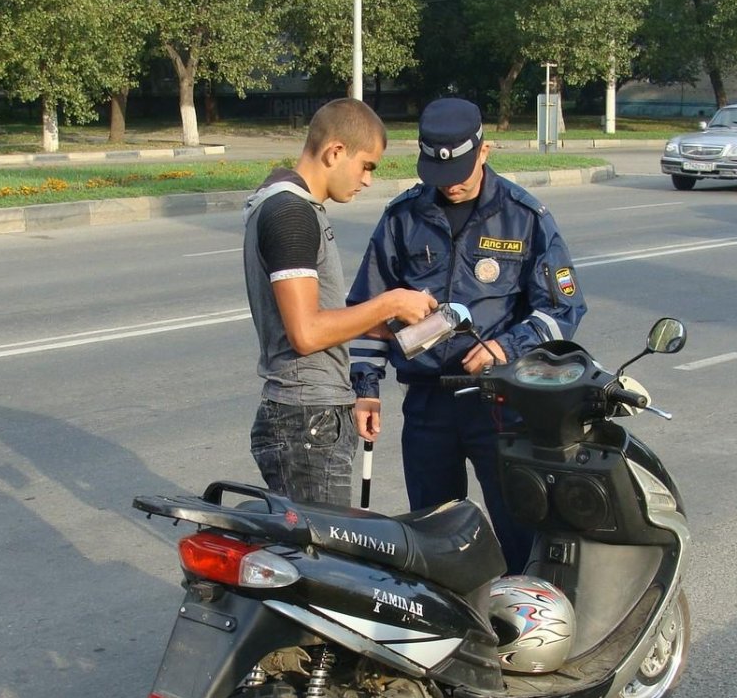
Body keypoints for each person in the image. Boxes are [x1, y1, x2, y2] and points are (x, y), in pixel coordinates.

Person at [347, 97, 587, 573]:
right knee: (433, 537)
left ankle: (526, 628)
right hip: (428, 405)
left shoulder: (524, 217)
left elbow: (563, 308)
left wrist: (504, 347)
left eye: (460, 168)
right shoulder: (403, 217)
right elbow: (369, 310)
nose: (451, 184)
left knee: (520, 528)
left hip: (499, 403)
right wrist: (366, 390)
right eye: (439, 173)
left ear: (485, 151)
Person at [244, 98, 436, 506]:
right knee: (323, 564)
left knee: (310, 558)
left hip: (308, 414)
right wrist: (387, 304)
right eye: (367, 165)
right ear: (335, 152)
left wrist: (376, 326)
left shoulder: (288, 203)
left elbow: (311, 318)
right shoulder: (290, 213)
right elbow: (306, 332)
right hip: (306, 417)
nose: (367, 180)